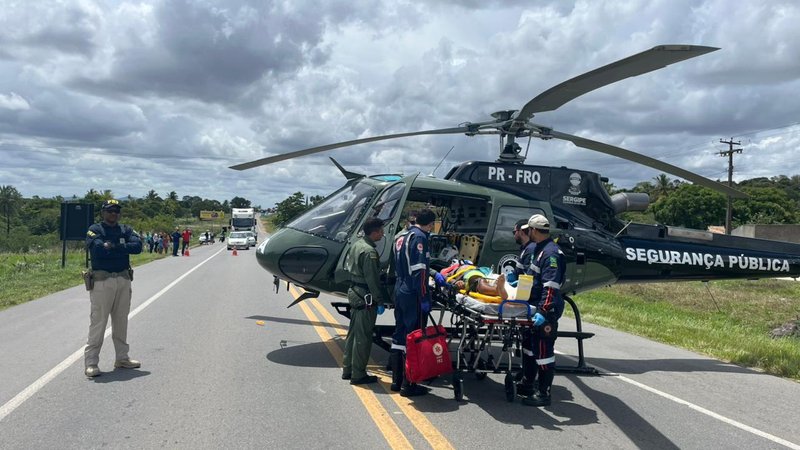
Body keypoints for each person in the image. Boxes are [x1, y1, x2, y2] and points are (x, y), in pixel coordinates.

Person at [84, 199, 143, 378]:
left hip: (123, 279)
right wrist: (123, 248)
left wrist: (114, 246)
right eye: (110, 211)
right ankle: (91, 362)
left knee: (121, 320)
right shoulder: (95, 229)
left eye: (116, 211)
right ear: (103, 212)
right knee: (99, 321)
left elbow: (138, 247)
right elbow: (99, 250)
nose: (113, 214)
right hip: (103, 280)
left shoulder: (125, 229)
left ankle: (122, 358)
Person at [517, 214, 566, 407]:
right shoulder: (538, 249)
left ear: (533, 230)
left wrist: (543, 312)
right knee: (529, 348)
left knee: (544, 351)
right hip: (533, 305)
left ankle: (544, 393)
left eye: (528, 230)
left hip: (546, 309)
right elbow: (531, 278)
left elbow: (551, 287)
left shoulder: (551, 254)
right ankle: (528, 383)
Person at [390, 208, 436, 397]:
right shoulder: (420, 238)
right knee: (414, 336)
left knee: (399, 334)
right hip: (412, 292)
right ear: (431, 224)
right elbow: (420, 271)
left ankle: (396, 380)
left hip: (400, 289)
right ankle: (409, 384)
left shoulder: (402, 237)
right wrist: (424, 297)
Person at [341, 217, 388, 385]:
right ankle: (358, 374)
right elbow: (372, 280)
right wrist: (380, 300)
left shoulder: (357, 244)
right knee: (363, 337)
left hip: (354, 292)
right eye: (381, 231)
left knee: (353, 334)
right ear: (374, 232)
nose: (383, 234)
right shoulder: (370, 252)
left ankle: (348, 369)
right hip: (365, 296)